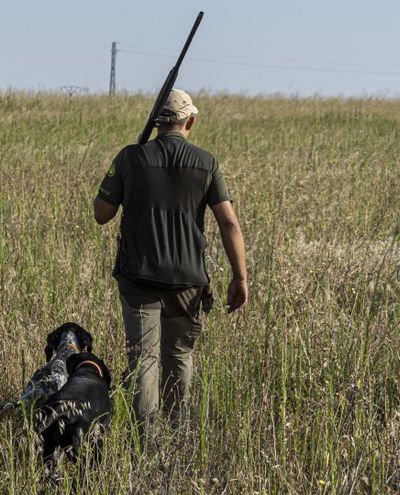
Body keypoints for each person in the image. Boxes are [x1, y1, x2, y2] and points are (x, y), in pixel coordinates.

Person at [92, 89, 247, 435]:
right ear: (189, 121)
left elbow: (102, 214)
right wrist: (241, 277)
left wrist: (124, 171)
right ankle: (178, 441)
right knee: (179, 359)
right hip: (188, 283)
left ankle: (147, 446)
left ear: (156, 122)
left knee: (144, 363)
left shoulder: (131, 157)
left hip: (138, 280)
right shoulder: (207, 163)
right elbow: (229, 223)